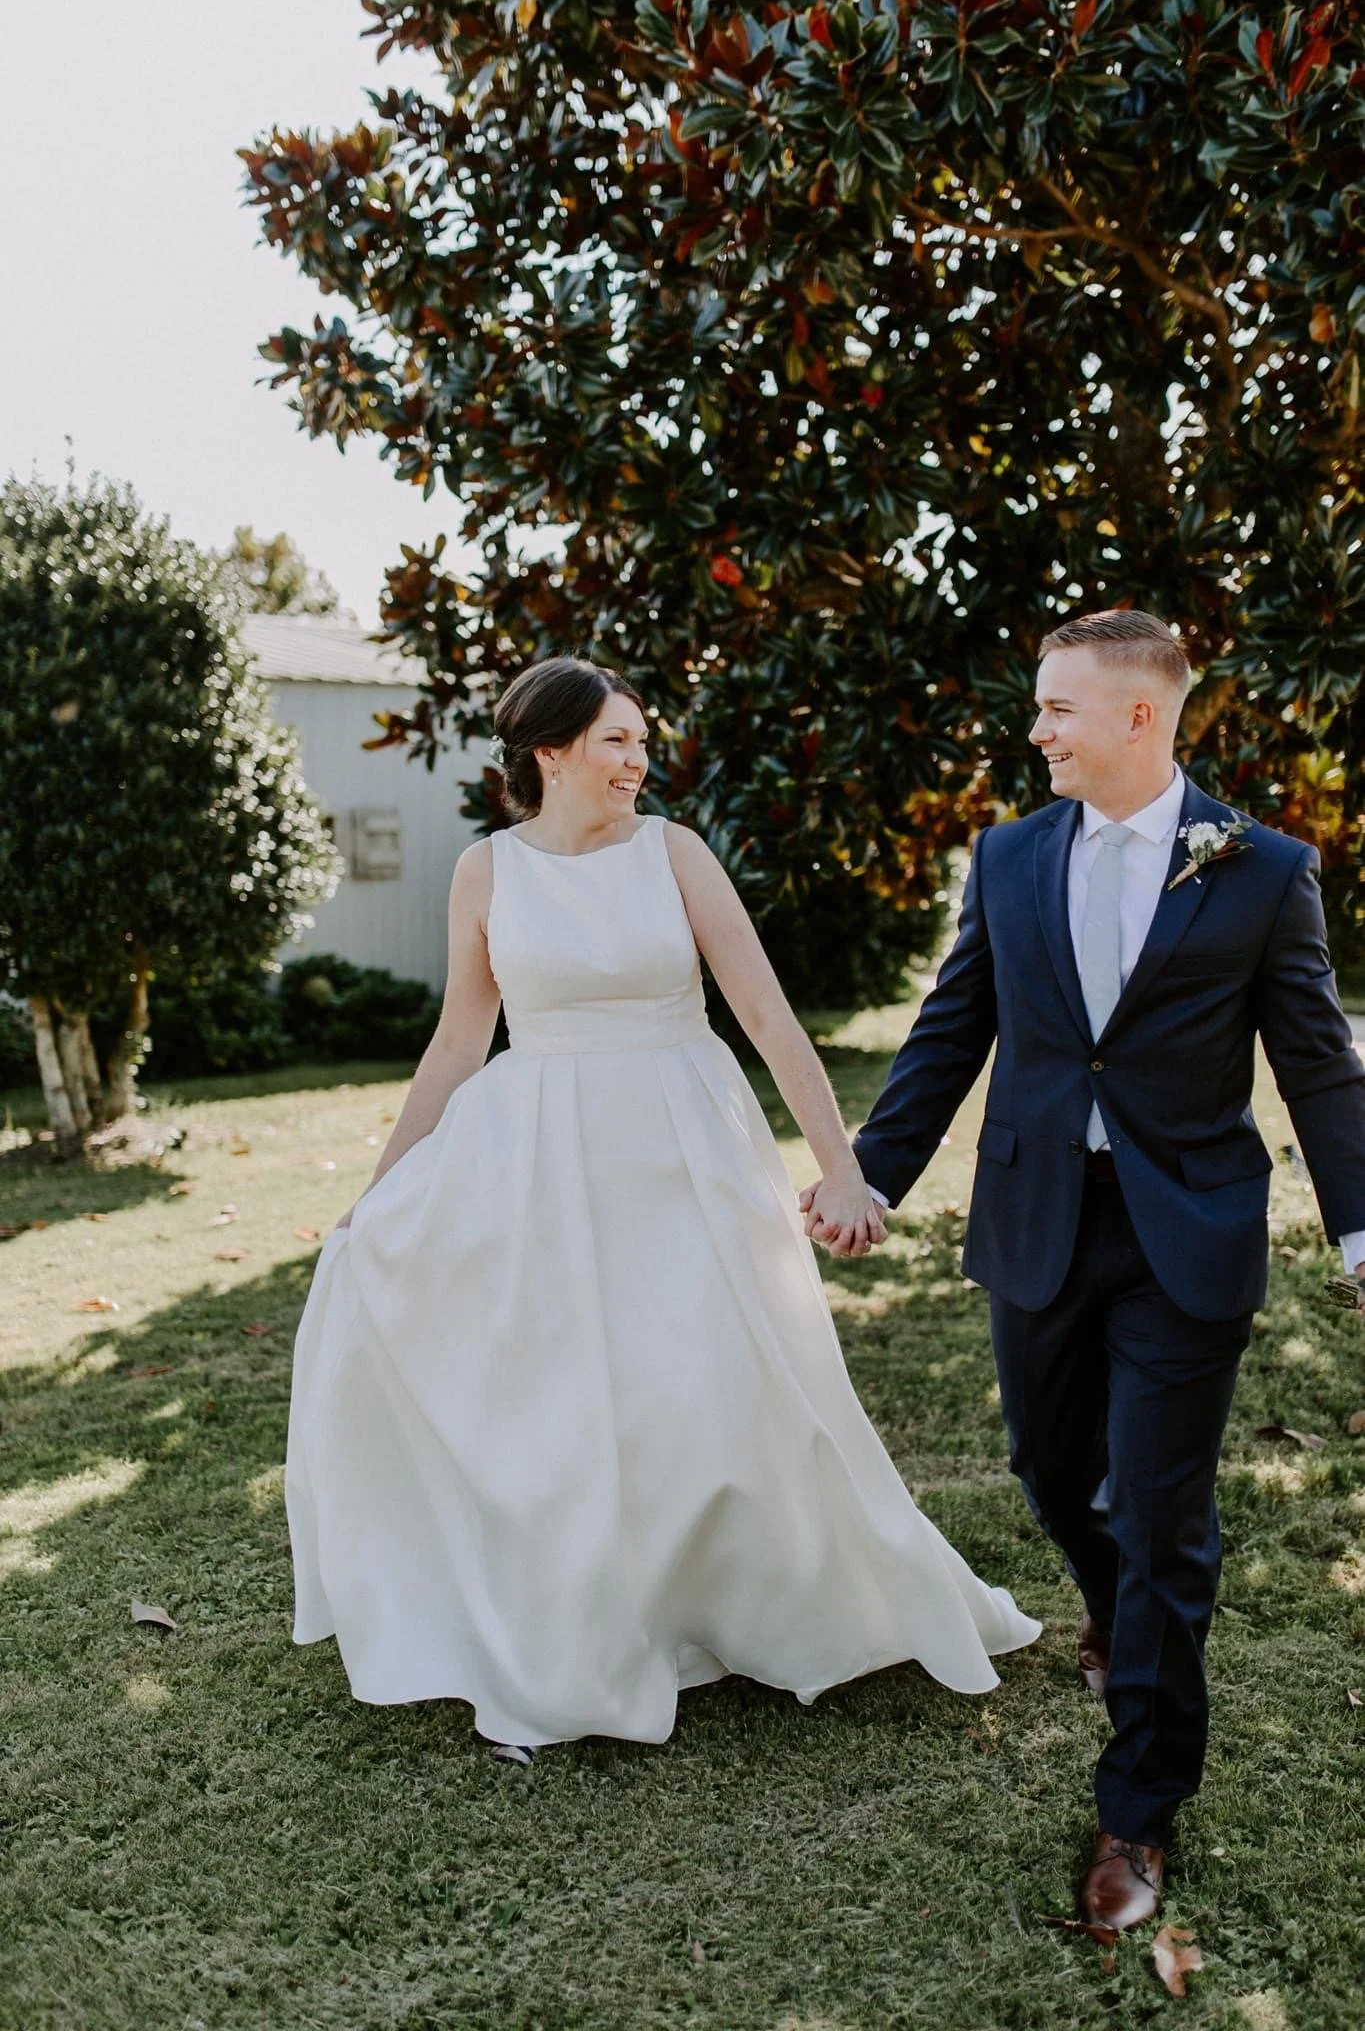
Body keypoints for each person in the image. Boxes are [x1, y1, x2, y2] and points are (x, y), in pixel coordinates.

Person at [286, 656, 1040, 1767]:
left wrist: (841, 1167)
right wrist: (380, 1189)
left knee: (709, 1379)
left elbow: (772, 1018)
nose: (639, 760)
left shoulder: (675, 853)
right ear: (550, 752)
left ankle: (750, 1606)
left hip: (685, 1137)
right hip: (539, 1152)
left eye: (643, 741)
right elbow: (458, 1041)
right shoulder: (485, 873)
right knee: (573, 1392)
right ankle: (591, 1628)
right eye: (616, 741)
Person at [804, 609, 1365, 1930]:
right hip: (1039, 1217)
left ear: (1138, 717)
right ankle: (1121, 1613)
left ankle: (1136, 1814)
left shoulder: (1262, 868)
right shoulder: (1005, 860)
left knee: (1165, 1513)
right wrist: (872, 1174)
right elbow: (950, 1030)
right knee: (1052, 1471)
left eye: (1058, 708)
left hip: (1187, 1228)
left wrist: (1358, 1227)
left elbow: (1318, 1067)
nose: (1037, 729)